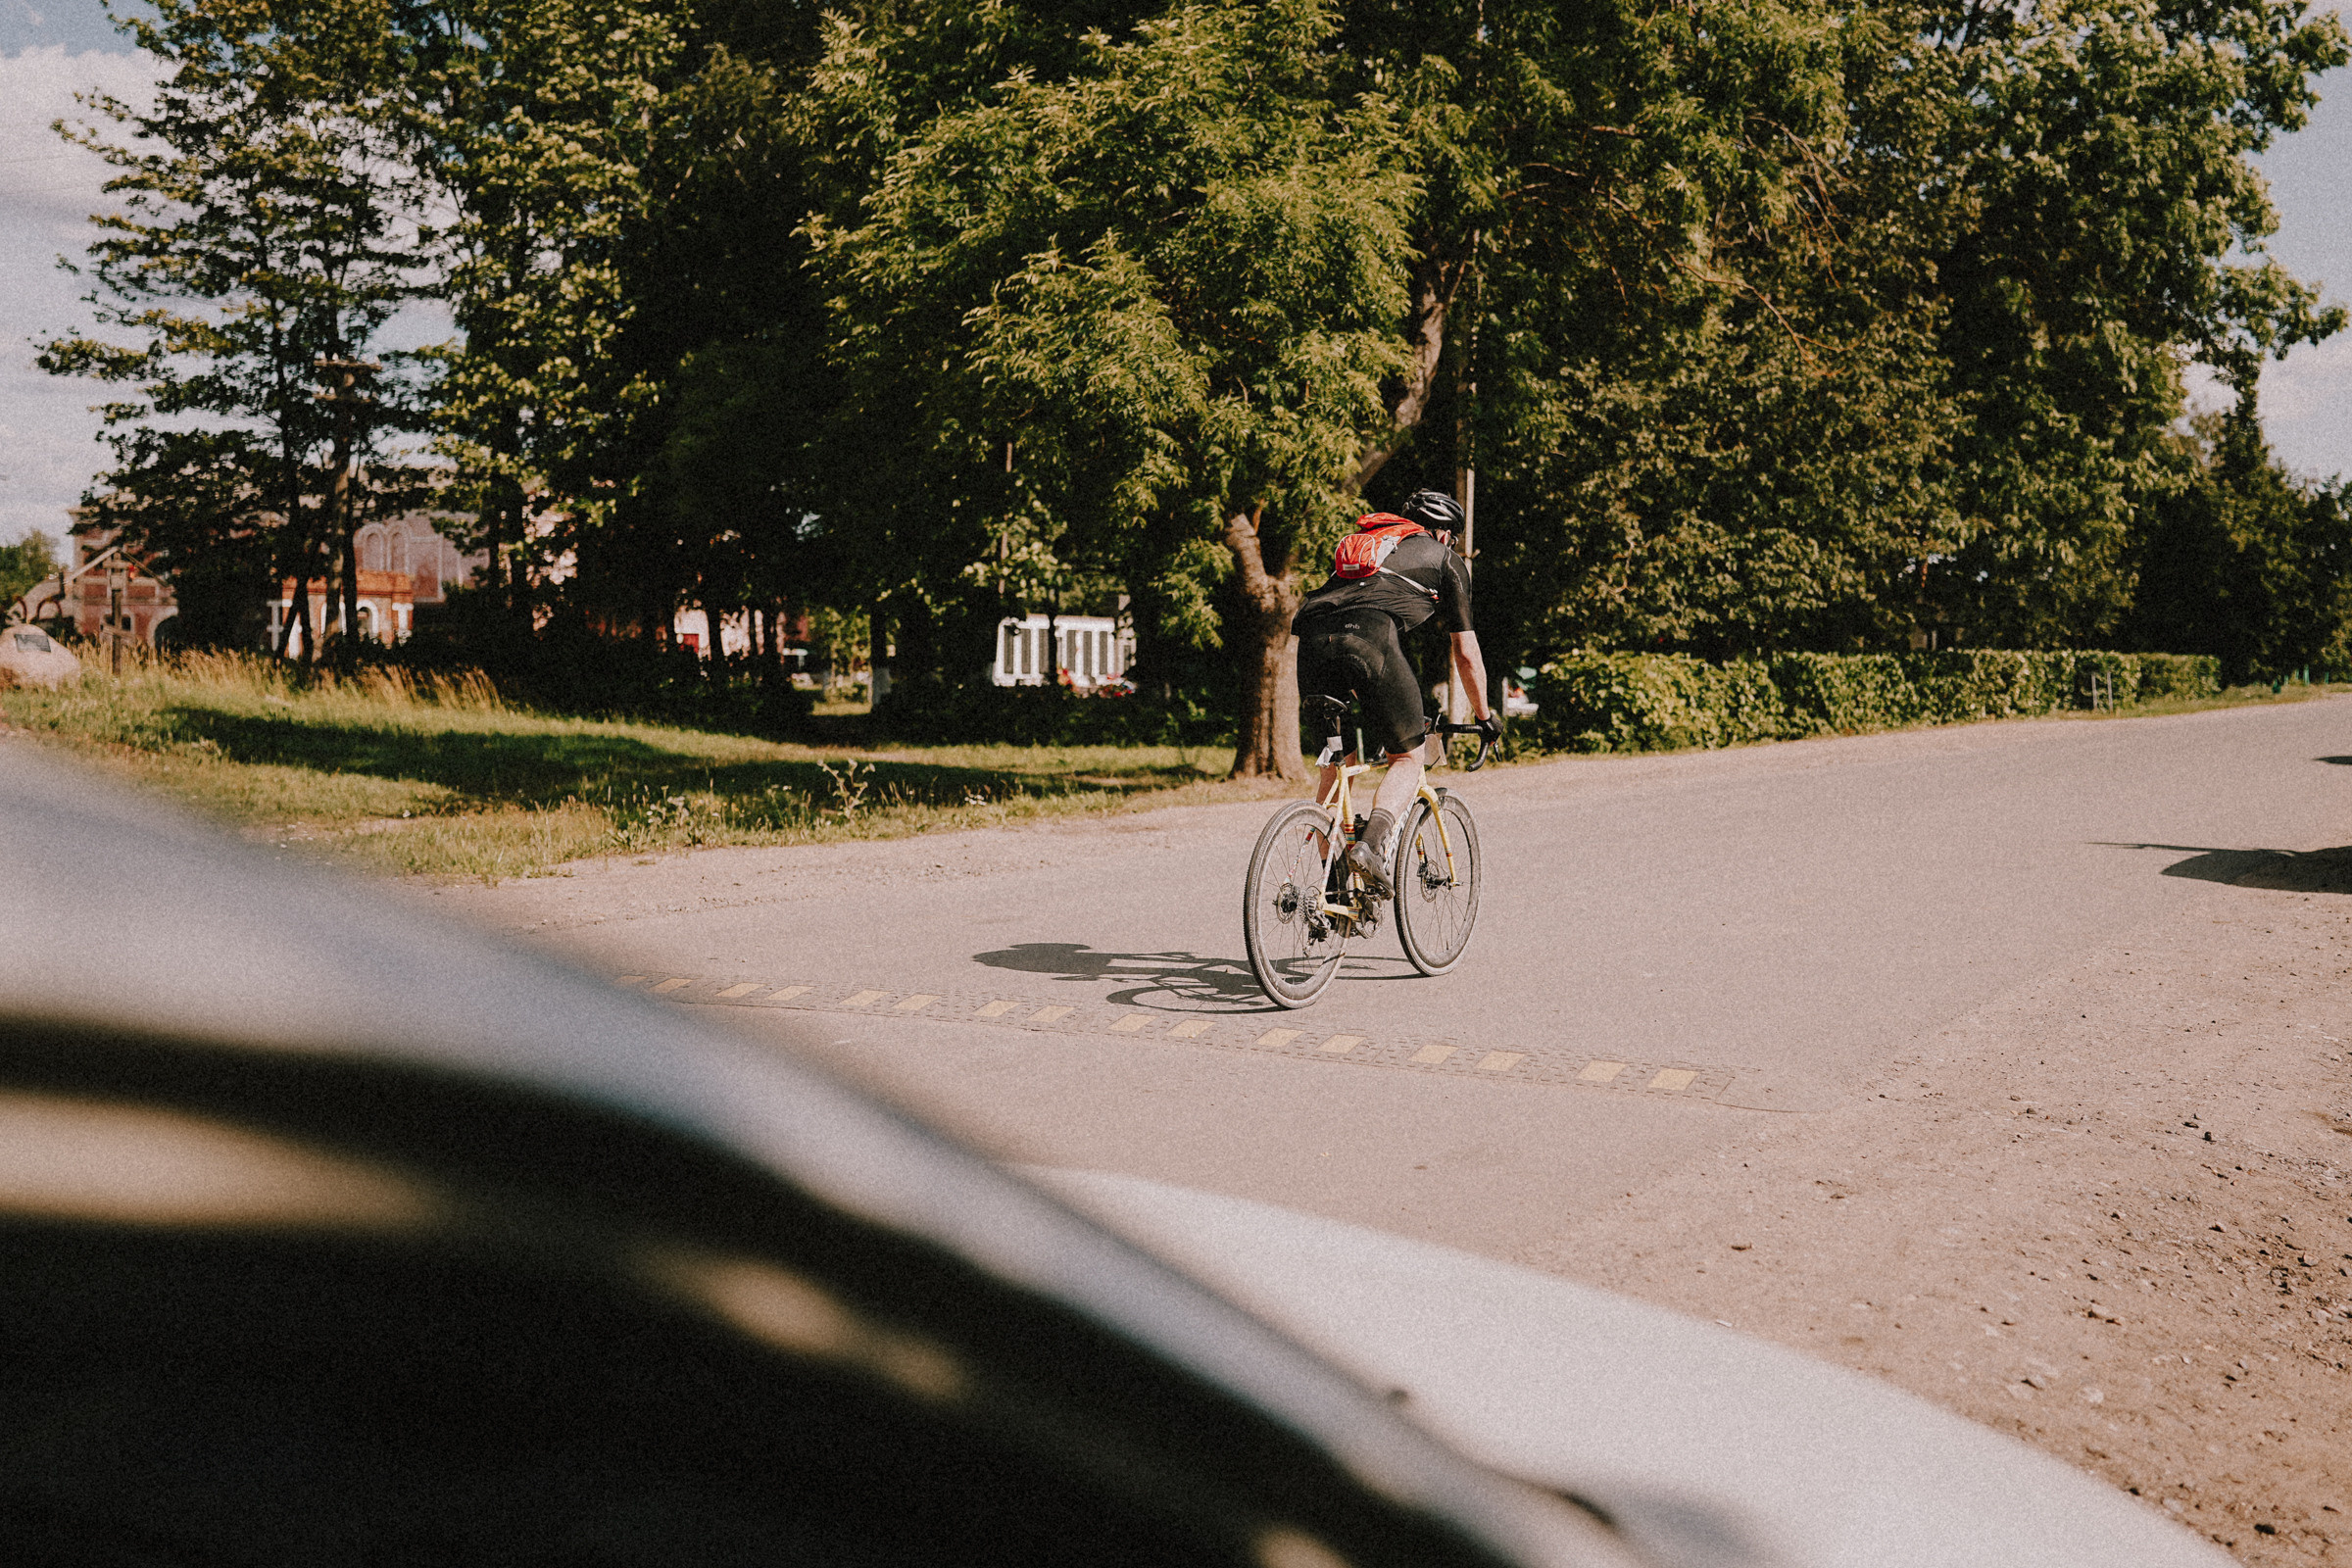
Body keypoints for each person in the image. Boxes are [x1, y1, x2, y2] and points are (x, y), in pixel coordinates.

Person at [1294, 488, 1497, 898]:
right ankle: (1369, 847)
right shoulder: (1444, 559)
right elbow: (1466, 653)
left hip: (1313, 645)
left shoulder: (1372, 547)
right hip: (1370, 641)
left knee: (1336, 771)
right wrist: (1483, 714)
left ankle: (1332, 893)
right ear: (1444, 534)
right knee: (1406, 757)